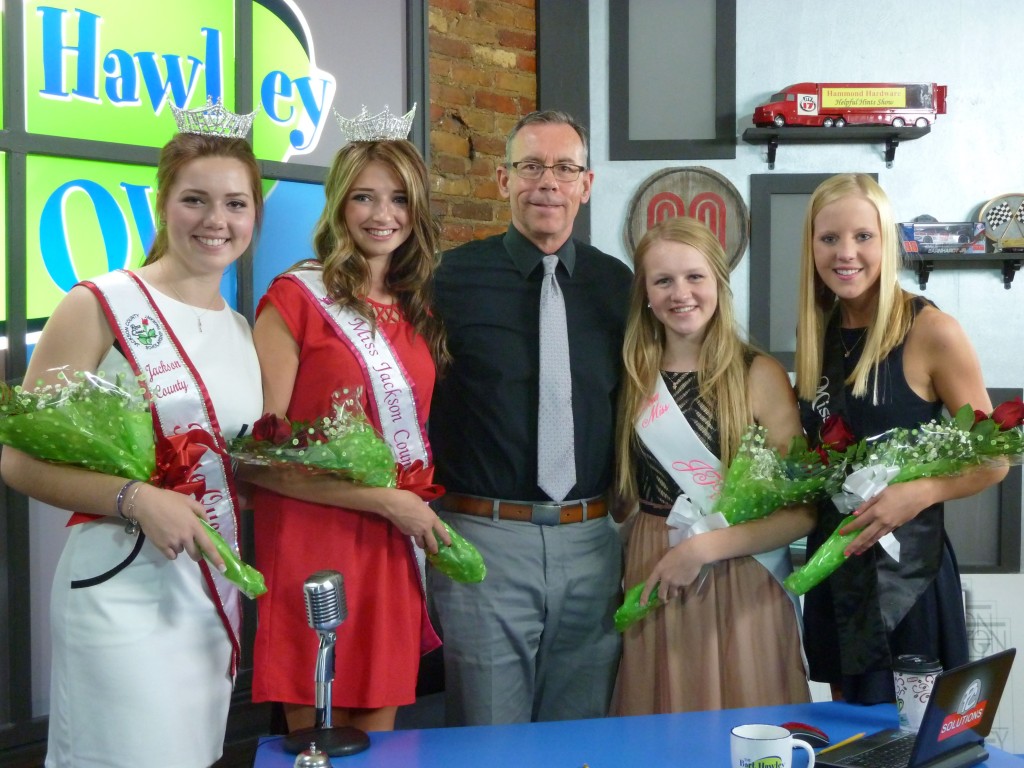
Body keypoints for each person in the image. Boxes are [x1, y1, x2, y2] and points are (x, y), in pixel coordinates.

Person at [0, 131, 264, 767]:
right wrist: (135, 498)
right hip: (119, 591)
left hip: (203, 597)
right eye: (195, 199)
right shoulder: (98, 305)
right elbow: (17, 460)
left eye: (235, 204)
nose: (215, 221)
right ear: (161, 203)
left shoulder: (238, 328)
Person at [428, 110, 632, 725]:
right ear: (502, 180)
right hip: (485, 541)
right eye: (531, 167)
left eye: (565, 168)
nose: (548, 182)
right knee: (489, 739)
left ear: (586, 185)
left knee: (579, 736)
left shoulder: (616, 286)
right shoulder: (449, 281)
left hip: (593, 542)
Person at [247, 131, 450, 734]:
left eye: (399, 199)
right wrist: (387, 501)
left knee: (378, 736)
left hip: (389, 537)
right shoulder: (293, 300)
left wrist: (395, 507)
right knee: (321, 733)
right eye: (364, 198)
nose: (383, 215)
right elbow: (256, 460)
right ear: (338, 205)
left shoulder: (418, 309)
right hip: (315, 534)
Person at [794, 173, 1007, 704]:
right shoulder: (815, 333)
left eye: (863, 236)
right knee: (849, 741)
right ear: (812, 247)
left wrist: (920, 492)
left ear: (887, 241)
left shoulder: (931, 330)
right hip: (836, 572)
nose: (847, 253)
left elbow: (995, 460)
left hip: (908, 578)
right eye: (830, 238)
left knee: (914, 746)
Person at [609, 217, 813, 715]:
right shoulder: (631, 377)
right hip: (655, 563)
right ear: (646, 295)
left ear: (719, 283)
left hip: (744, 573)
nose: (681, 293)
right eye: (663, 280)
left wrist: (702, 549)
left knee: (749, 721)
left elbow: (804, 511)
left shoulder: (758, 374)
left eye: (694, 276)